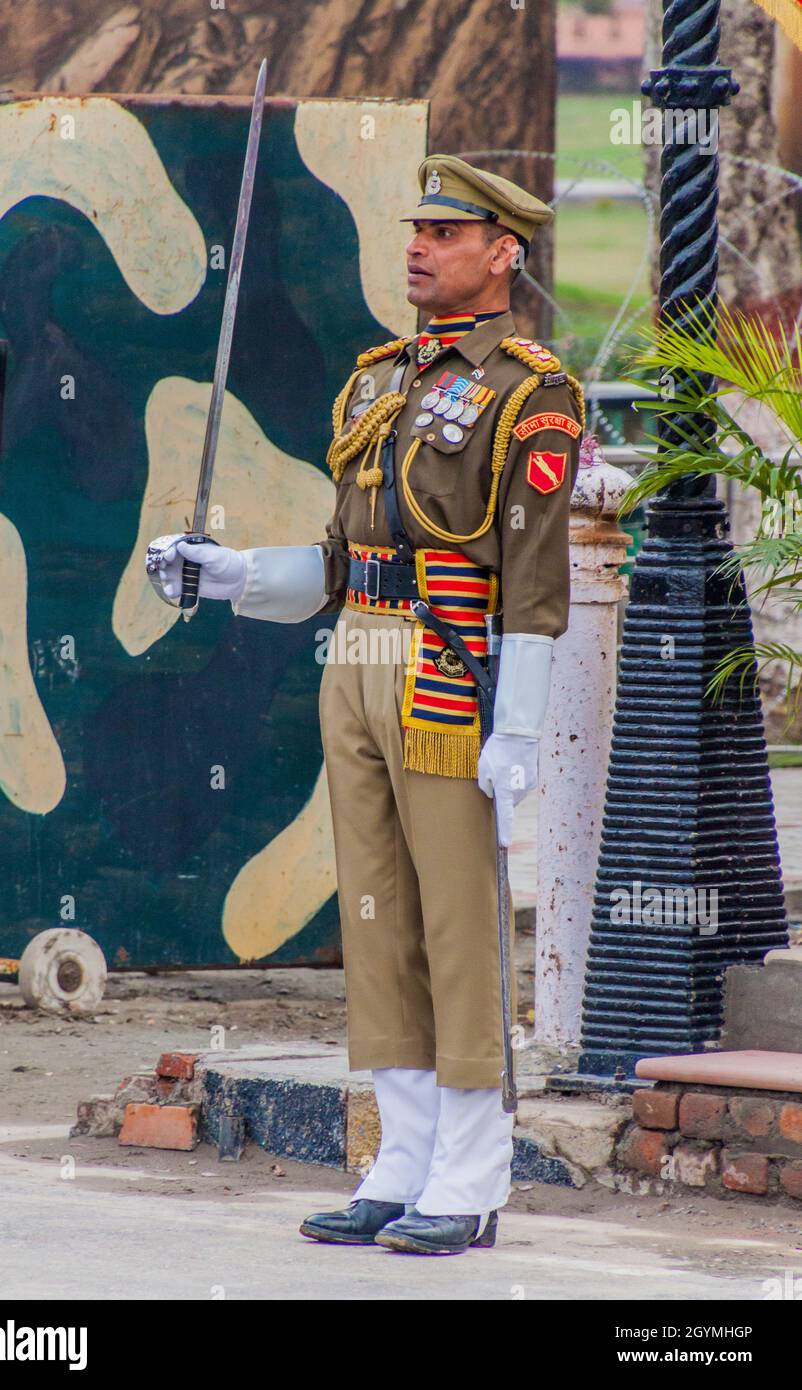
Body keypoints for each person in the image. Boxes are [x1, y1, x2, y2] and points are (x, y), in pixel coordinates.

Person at [146, 155, 584, 1256]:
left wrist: (519, 727)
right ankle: (398, 1159)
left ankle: (472, 1176)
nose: (417, 245)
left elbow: (531, 583)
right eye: (415, 227)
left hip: (447, 678)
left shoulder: (531, 393)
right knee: (376, 927)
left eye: (444, 231)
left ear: (502, 253)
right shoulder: (376, 382)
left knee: (454, 927)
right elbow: (343, 564)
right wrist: (230, 573)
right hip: (355, 661)